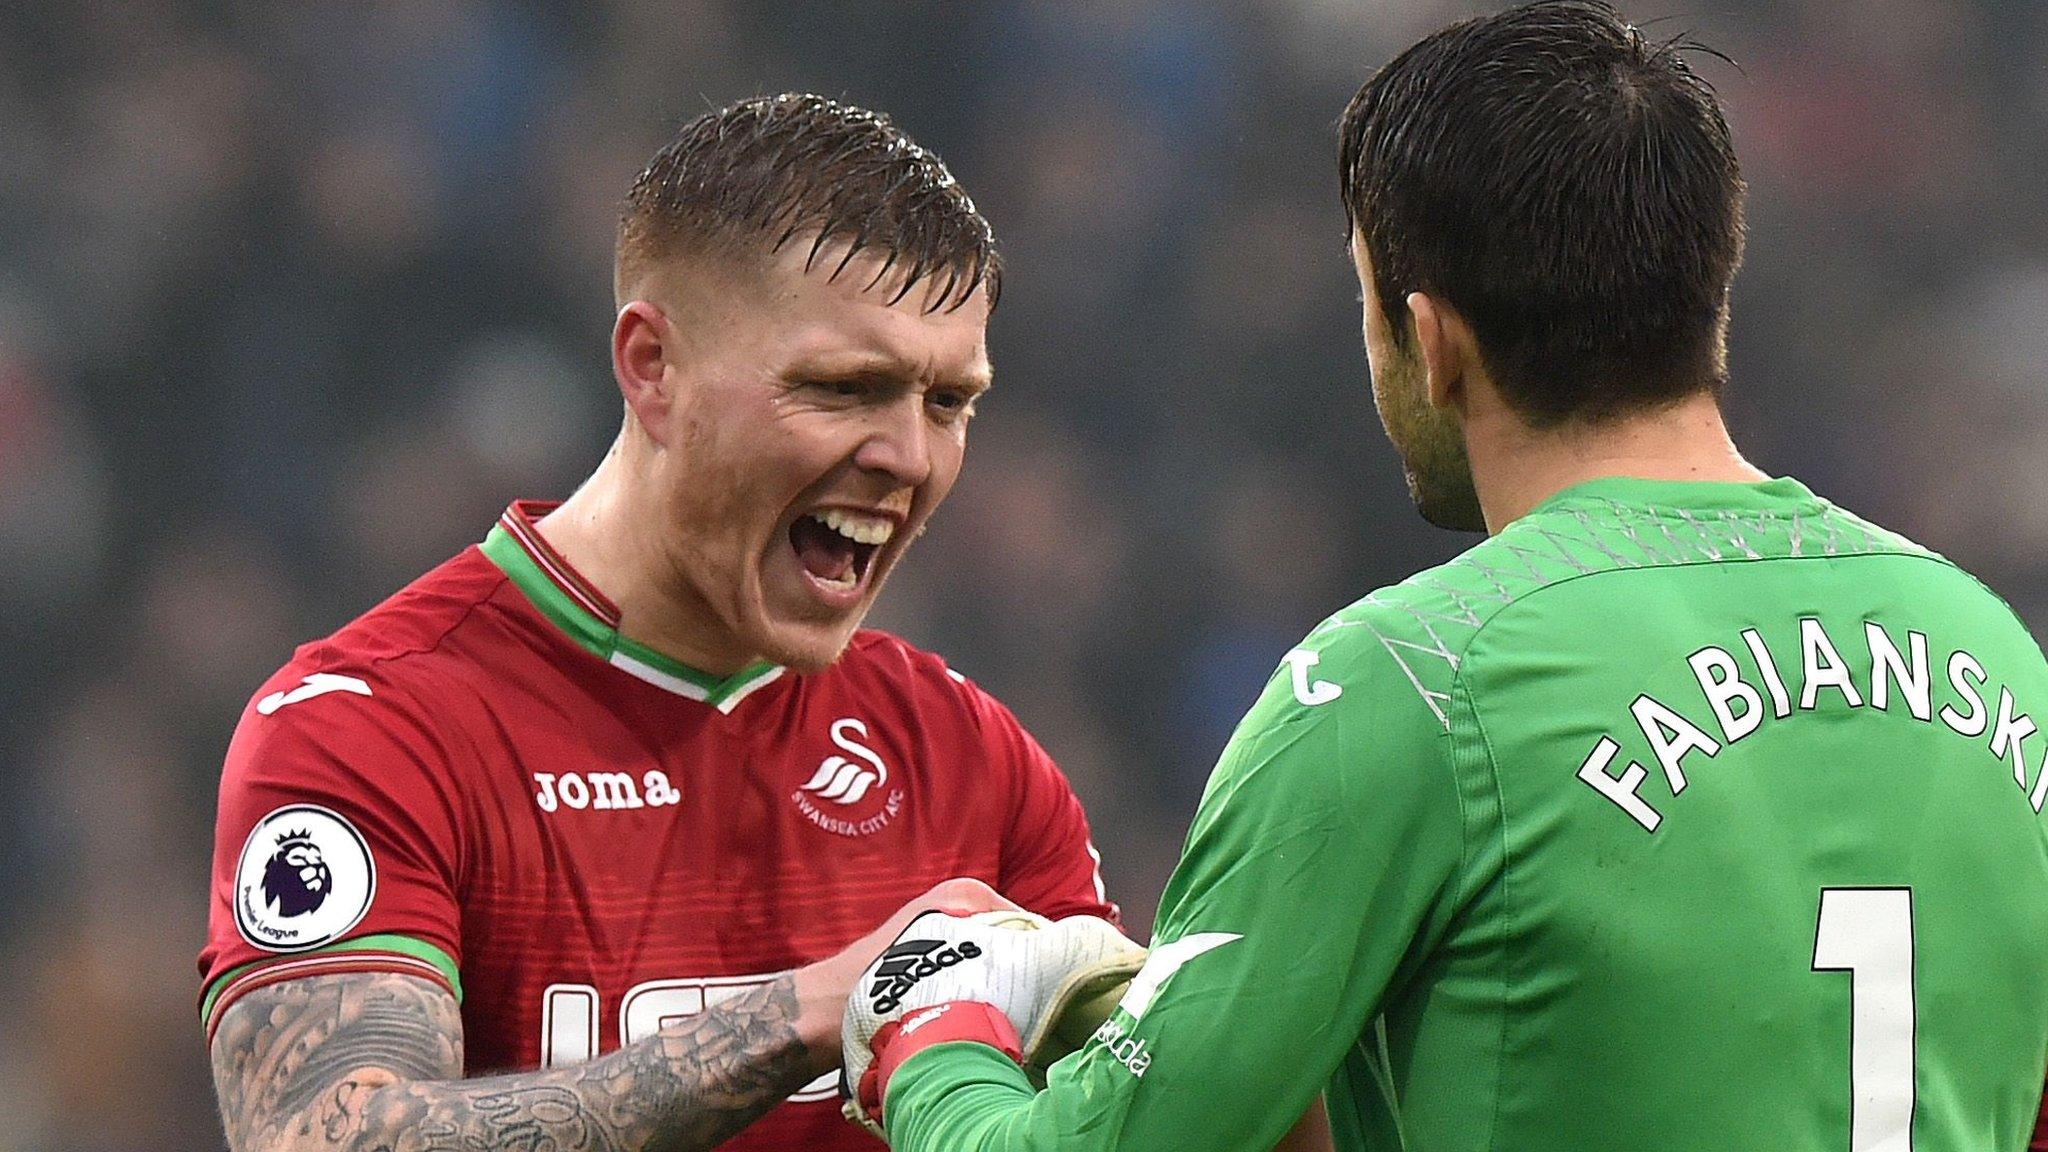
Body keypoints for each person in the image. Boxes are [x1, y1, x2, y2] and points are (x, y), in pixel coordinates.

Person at [839, 4, 2048, 1150]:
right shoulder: (1992, 651)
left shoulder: (1417, 680)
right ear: (1700, 296)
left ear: (1428, 337)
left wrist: (932, 1024)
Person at [199, 93, 1121, 1152]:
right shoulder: (372, 727)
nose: (909, 458)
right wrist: (814, 1009)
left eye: (948, 403)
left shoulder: (965, 759)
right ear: (651, 367)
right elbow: (326, 1138)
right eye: (842, 388)